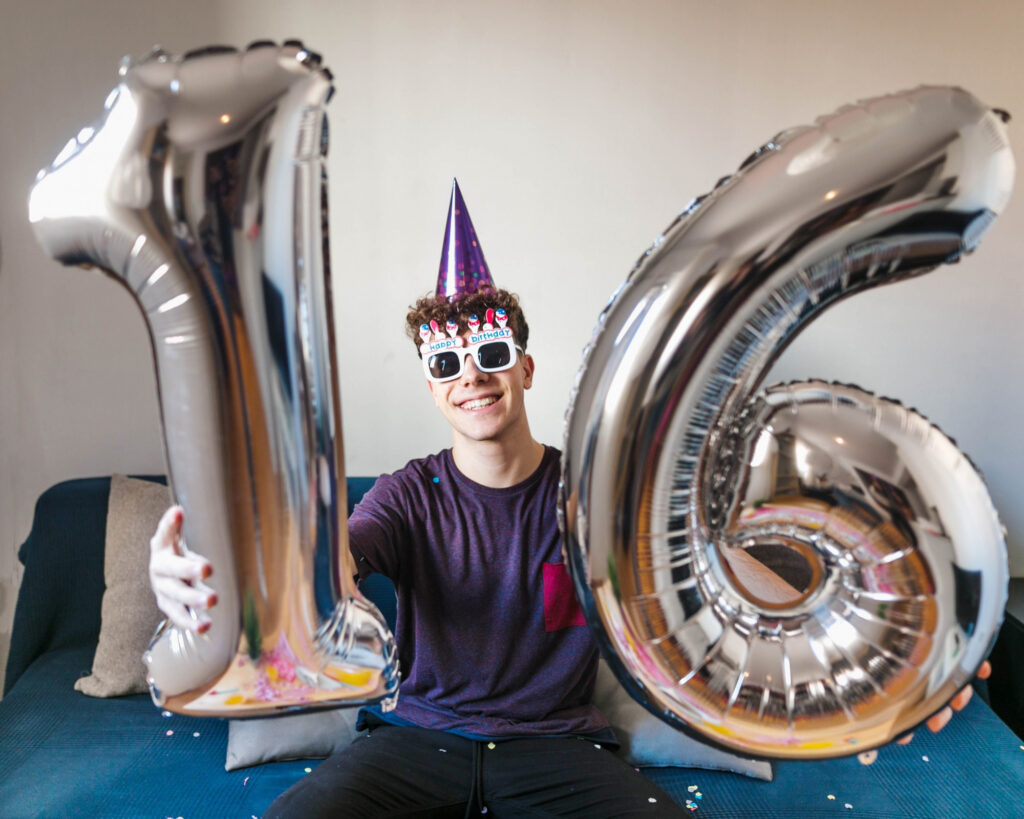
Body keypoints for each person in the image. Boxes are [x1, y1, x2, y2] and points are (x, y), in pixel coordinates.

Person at [149, 181, 988, 817]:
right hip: (416, 740)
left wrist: (878, 645)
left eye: (490, 353)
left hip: (555, 749)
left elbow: (724, 585)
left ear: (524, 365)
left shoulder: (593, 496)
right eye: (446, 364)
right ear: (433, 387)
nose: (471, 375)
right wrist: (215, 567)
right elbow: (330, 566)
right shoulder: (409, 494)